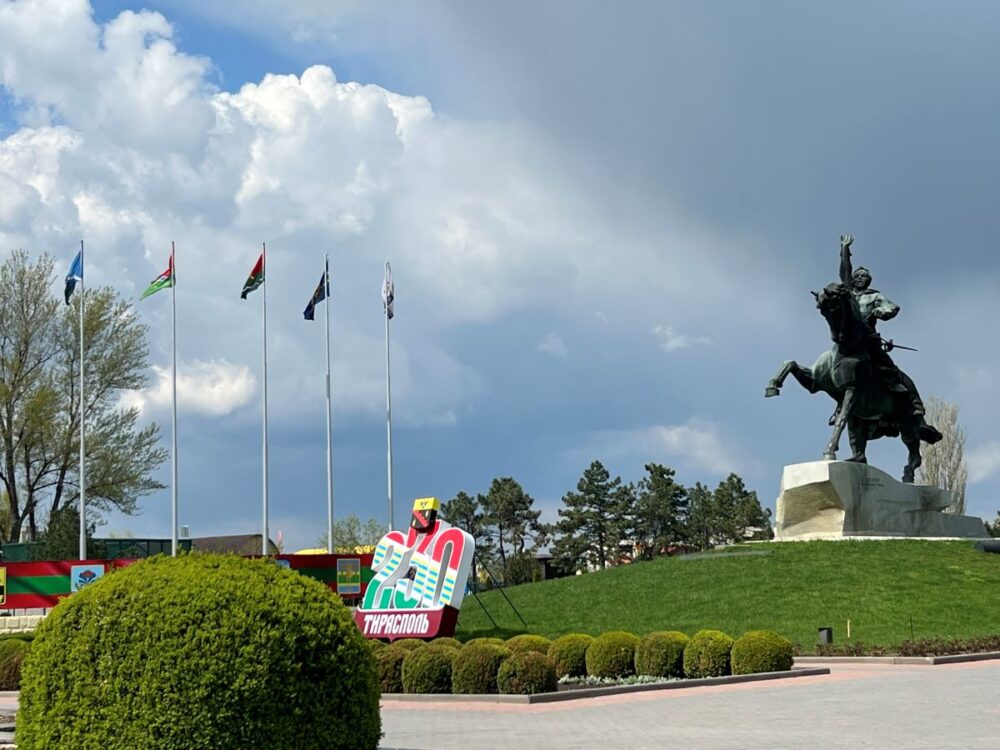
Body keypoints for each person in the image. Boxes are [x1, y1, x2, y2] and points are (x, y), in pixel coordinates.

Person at [838, 235, 939, 441]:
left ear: (868, 281)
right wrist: (845, 250)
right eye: (857, 275)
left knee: (894, 373)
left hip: (869, 341)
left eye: (863, 276)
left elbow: (892, 307)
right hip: (847, 342)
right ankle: (840, 405)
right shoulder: (847, 293)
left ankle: (916, 409)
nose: (859, 278)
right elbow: (844, 270)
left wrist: (881, 312)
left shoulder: (874, 296)